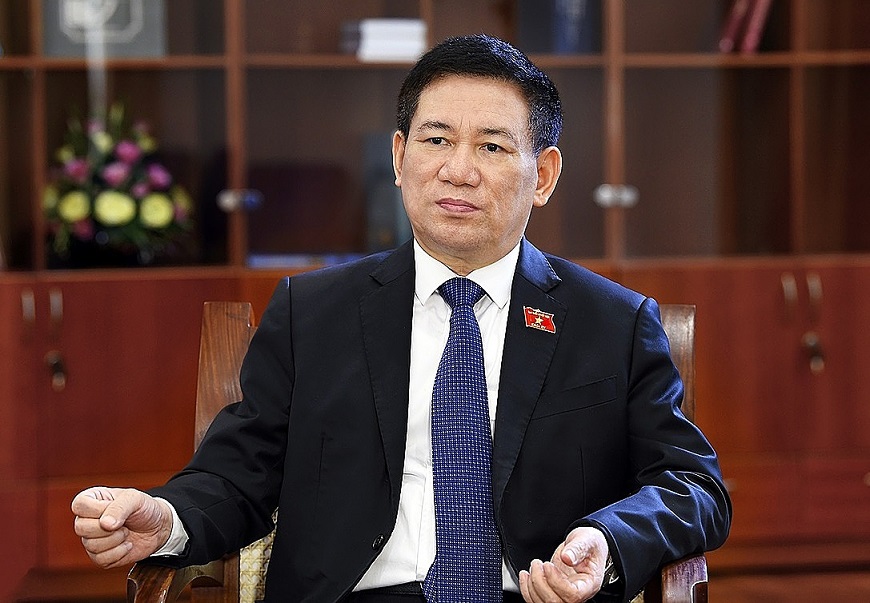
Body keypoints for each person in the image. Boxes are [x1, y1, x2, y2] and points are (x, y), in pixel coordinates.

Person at [72, 34, 731, 603]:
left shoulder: (612, 323)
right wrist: (164, 518)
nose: (458, 170)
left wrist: (607, 539)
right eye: (436, 139)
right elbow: (237, 477)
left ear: (544, 175)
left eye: (493, 147)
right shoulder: (312, 313)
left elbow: (694, 486)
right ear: (398, 156)